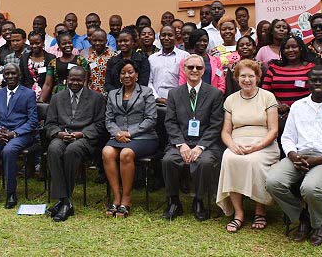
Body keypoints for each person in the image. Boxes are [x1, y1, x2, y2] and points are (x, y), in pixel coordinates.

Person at [266, 65, 322, 246]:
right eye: (314, 80)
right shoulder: (298, 106)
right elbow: (288, 137)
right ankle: (302, 217)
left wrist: (319, 160)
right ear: (308, 83)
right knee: (273, 182)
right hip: (299, 156)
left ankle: (319, 224)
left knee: (310, 187)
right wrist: (292, 155)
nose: (318, 83)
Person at [216, 59, 280, 233]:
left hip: (264, 143)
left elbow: (273, 130)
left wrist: (257, 146)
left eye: (251, 76)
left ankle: (260, 210)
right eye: (242, 76)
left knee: (254, 161)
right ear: (236, 78)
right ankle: (239, 213)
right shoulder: (230, 100)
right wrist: (232, 145)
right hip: (238, 142)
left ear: (258, 77)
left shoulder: (268, 97)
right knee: (229, 158)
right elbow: (225, 132)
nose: (247, 80)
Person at [161, 54, 224, 221]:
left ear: (204, 70)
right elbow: (170, 122)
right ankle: (174, 201)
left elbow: (216, 125)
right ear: (184, 69)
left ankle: (199, 200)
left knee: (203, 162)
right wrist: (181, 145)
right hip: (180, 142)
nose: (194, 70)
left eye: (199, 67)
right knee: (169, 160)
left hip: (206, 144)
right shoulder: (174, 93)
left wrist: (200, 147)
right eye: (190, 67)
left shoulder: (215, 94)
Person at [45, 66, 106, 222]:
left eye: (79, 80)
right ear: (67, 79)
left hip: (84, 138)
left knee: (72, 150)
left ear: (85, 80)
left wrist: (82, 133)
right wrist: (58, 133)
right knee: (53, 148)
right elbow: (50, 123)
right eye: (72, 79)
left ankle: (64, 201)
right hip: (62, 135)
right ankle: (65, 201)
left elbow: (100, 124)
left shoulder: (96, 98)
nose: (75, 82)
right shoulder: (57, 97)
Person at [0, 64, 38, 209]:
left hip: (21, 134)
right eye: (7, 74)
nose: (10, 76)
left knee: (9, 151)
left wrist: (14, 133)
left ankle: (11, 193)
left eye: (13, 74)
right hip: (0, 134)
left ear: (19, 75)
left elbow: (32, 121)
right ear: (3, 76)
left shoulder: (28, 94)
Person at [102, 60, 158, 218]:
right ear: (119, 76)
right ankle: (116, 196)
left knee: (126, 153)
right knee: (107, 152)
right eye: (123, 73)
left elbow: (151, 119)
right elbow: (109, 120)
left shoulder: (146, 92)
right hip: (118, 136)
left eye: (130, 72)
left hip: (144, 137)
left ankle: (126, 199)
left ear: (137, 74)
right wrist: (118, 133)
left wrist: (129, 133)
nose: (127, 75)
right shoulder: (113, 94)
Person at [262, 35, 314, 123]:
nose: (290, 50)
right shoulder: (274, 68)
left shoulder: (311, 68)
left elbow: (316, 91)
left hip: (305, 115)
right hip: (279, 116)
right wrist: (278, 105)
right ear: (282, 50)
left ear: (301, 48)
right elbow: (265, 92)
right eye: (287, 48)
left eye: (294, 47)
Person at [39, 32, 89, 102]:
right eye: (64, 43)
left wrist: (84, 99)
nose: (68, 45)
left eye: (70, 43)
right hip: (58, 95)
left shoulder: (81, 60)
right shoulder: (53, 62)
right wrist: (41, 100)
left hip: (76, 93)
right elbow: (48, 84)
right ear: (59, 46)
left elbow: (85, 81)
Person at [148, 26, 189, 105]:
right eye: (163, 35)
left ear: (176, 36)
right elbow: (149, 82)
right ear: (159, 37)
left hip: (178, 101)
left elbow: (187, 80)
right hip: (156, 102)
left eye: (170, 35)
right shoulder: (152, 58)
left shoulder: (184, 56)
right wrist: (157, 98)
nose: (166, 38)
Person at [179, 29, 225, 94]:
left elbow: (221, 84)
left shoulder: (216, 61)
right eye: (199, 41)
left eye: (205, 41)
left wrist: (214, 96)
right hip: (192, 98)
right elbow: (182, 83)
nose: (202, 43)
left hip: (212, 98)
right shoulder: (185, 62)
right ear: (193, 42)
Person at [104, 29, 150, 93]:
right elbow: (107, 84)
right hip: (116, 98)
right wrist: (119, 94)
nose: (122, 43)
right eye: (120, 41)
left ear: (133, 42)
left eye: (126, 41)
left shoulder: (142, 60)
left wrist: (131, 94)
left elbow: (144, 82)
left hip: (138, 97)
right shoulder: (112, 61)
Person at [19, 31, 55, 99]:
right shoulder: (24, 58)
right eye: (31, 43)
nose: (34, 46)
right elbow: (21, 79)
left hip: (46, 96)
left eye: (37, 43)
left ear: (43, 42)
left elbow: (52, 81)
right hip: (26, 95)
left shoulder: (51, 58)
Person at [83, 28, 117, 97]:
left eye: (100, 40)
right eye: (95, 40)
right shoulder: (89, 58)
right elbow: (87, 78)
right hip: (92, 95)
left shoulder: (113, 56)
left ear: (106, 41)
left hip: (109, 94)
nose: (97, 43)